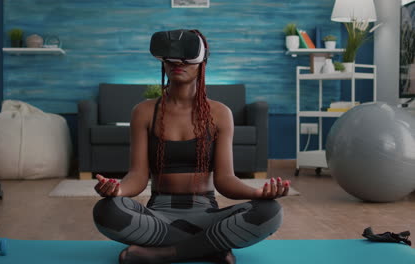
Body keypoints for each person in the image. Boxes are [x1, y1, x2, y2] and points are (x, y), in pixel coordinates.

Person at [92, 29, 291, 264]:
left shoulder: (220, 113)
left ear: (203, 61)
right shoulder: (144, 111)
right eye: (171, 58)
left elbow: (225, 180)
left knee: (271, 212)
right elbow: (137, 176)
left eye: (187, 57)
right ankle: (211, 246)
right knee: (106, 211)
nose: (178, 63)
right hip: (158, 215)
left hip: (207, 213)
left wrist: (258, 194)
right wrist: (117, 191)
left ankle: (166, 253)